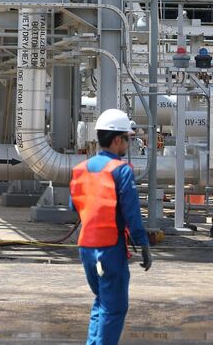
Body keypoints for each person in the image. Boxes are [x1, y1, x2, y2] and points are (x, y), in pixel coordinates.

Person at [69, 108, 152, 344]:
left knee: (102, 301)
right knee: (115, 307)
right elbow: (132, 213)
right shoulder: (121, 170)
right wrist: (143, 245)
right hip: (109, 248)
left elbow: (74, 206)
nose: (128, 143)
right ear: (117, 140)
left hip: (86, 246)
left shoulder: (80, 169)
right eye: (127, 138)